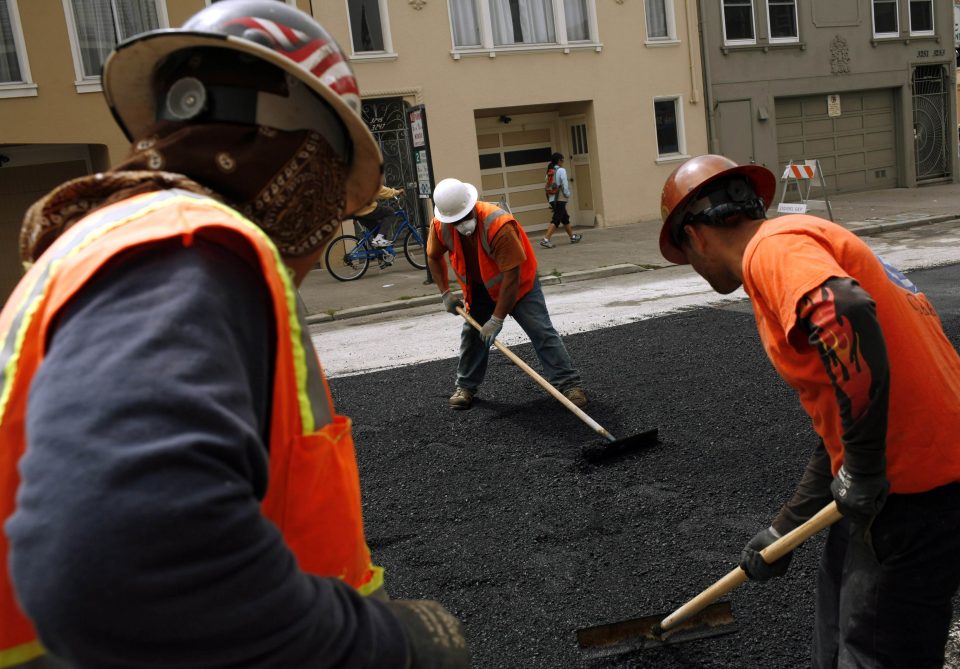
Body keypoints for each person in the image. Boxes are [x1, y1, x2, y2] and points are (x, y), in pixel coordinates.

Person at [0, 2, 469, 668]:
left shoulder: (100, 249)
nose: (329, 224)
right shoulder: (190, 251)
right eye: (336, 198)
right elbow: (117, 561)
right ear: (305, 162)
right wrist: (386, 646)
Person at [657, 154, 960, 667]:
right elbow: (844, 414)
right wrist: (784, 528)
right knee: (836, 625)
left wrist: (862, 470)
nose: (695, 269)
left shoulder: (770, 251)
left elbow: (845, 310)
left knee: (873, 651)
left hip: (920, 488)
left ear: (697, 236)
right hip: (899, 481)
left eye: (686, 257)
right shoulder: (804, 238)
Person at [426, 177, 587, 410]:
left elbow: (512, 278)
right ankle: (466, 387)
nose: (462, 224)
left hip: (520, 286)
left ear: (472, 205)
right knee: (472, 336)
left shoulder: (498, 224)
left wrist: (497, 319)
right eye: (456, 220)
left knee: (541, 331)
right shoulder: (441, 225)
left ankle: (570, 384)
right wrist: (445, 293)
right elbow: (433, 255)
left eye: (465, 217)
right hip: (480, 288)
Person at [540, 153, 581, 249]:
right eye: (562, 160)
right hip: (560, 198)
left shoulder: (550, 171)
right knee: (556, 219)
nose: (563, 162)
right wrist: (567, 194)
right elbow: (565, 184)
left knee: (564, 218)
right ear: (559, 160)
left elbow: (547, 183)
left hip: (552, 199)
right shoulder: (561, 170)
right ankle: (546, 239)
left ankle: (572, 237)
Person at [354, 183, 405, 247]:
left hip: (357, 212)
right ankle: (379, 240)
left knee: (378, 229)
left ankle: (380, 253)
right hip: (367, 209)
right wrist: (397, 192)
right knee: (390, 212)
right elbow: (381, 190)